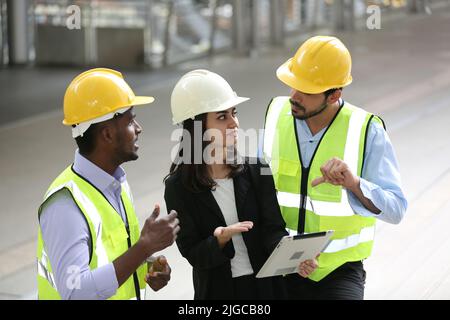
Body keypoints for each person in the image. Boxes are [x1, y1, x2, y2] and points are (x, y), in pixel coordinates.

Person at [262, 36, 408, 300]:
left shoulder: (366, 130)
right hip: (278, 266)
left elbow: (396, 209)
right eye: (293, 86)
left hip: (337, 272)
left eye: (306, 91)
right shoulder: (275, 114)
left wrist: (354, 184)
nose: (294, 96)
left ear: (334, 95)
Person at [164, 69, 318, 300]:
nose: (234, 123)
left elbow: (273, 229)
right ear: (197, 126)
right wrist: (219, 240)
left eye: (234, 113)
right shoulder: (178, 187)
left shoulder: (257, 170)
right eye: (222, 116)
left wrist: (293, 258)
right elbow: (193, 254)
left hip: (266, 290)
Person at [37, 68, 180, 300]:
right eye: (131, 120)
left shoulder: (117, 185)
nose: (139, 128)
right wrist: (143, 248)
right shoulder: (65, 204)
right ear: (107, 134)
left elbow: (111, 259)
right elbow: (74, 292)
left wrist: (147, 266)